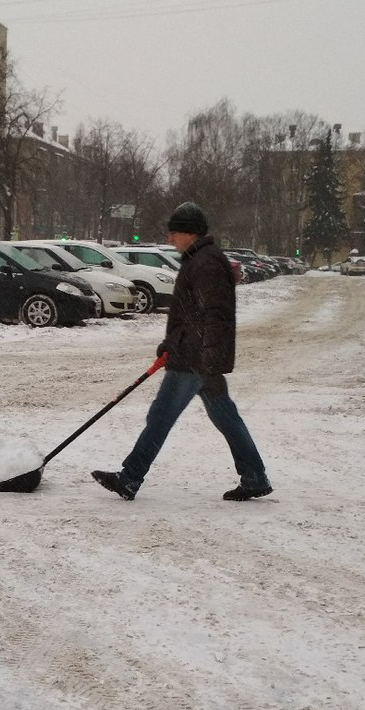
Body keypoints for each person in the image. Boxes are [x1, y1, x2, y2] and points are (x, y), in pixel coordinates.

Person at [92, 201, 272, 502]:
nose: (169, 239)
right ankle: (254, 477)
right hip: (199, 354)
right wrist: (173, 343)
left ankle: (130, 478)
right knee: (226, 417)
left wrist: (202, 355)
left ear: (190, 233)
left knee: (161, 415)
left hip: (195, 358)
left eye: (174, 232)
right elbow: (192, 314)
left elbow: (214, 314)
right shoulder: (201, 258)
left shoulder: (205, 262)